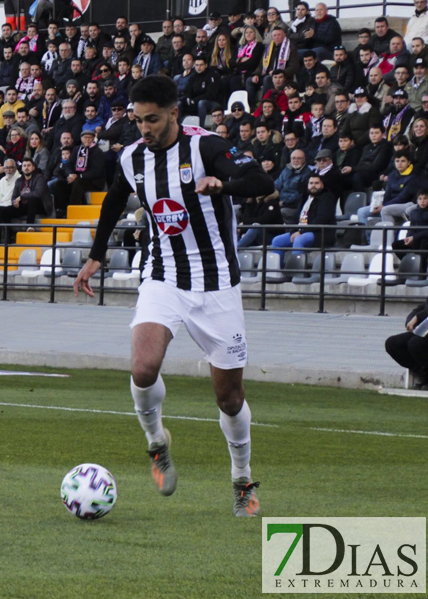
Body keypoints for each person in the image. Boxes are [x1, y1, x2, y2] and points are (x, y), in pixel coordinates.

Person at [74, 76, 275, 517]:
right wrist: (95, 256)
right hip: (162, 275)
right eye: (137, 119)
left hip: (217, 283)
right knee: (143, 368)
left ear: (173, 113)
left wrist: (223, 185)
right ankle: (156, 443)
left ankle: (241, 478)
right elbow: (114, 201)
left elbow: (259, 180)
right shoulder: (131, 156)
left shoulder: (207, 148)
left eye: (152, 119)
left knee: (230, 397)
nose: (144, 128)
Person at [385, 288, 428, 388]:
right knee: (393, 343)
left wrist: (418, 317)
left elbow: (425, 312)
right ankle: (423, 372)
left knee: (415, 343)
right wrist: (410, 320)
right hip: (427, 330)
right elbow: (422, 308)